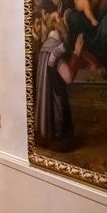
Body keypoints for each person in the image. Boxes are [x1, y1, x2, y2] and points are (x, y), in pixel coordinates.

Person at [34, 12, 84, 151]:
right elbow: (68, 77)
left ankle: (47, 134)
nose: (63, 20)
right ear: (57, 26)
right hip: (56, 97)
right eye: (60, 19)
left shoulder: (44, 47)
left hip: (48, 97)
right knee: (61, 133)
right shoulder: (57, 48)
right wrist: (76, 54)